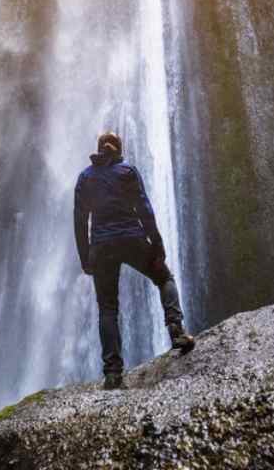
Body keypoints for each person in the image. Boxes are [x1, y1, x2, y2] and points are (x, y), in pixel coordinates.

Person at [74, 131, 195, 390]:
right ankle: (176, 332)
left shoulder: (85, 178)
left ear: (98, 150)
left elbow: (79, 220)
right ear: (118, 149)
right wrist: (157, 246)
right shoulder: (127, 171)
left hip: (101, 246)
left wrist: (86, 258)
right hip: (132, 239)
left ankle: (113, 373)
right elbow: (144, 209)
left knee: (107, 308)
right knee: (164, 278)